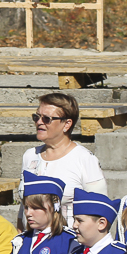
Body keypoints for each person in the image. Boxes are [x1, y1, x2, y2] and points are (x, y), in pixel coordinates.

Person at [20, 93, 107, 221]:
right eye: (36, 117)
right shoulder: (30, 155)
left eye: (46, 119)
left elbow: (99, 210)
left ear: (66, 124)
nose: (39, 122)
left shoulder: (84, 159)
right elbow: (23, 209)